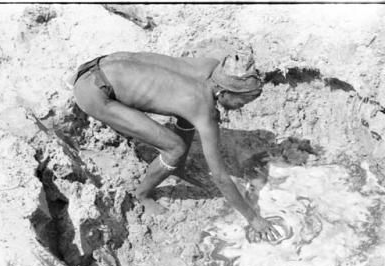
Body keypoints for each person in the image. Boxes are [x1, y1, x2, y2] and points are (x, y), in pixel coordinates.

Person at [71, 50, 281, 243]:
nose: (239, 108)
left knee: (179, 142)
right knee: (175, 149)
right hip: (95, 94)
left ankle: (176, 168)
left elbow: (186, 112)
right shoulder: (202, 107)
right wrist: (253, 218)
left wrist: (179, 166)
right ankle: (142, 194)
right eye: (240, 103)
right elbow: (220, 177)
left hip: (98, 66)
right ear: (224, 93)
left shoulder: (212, 68)